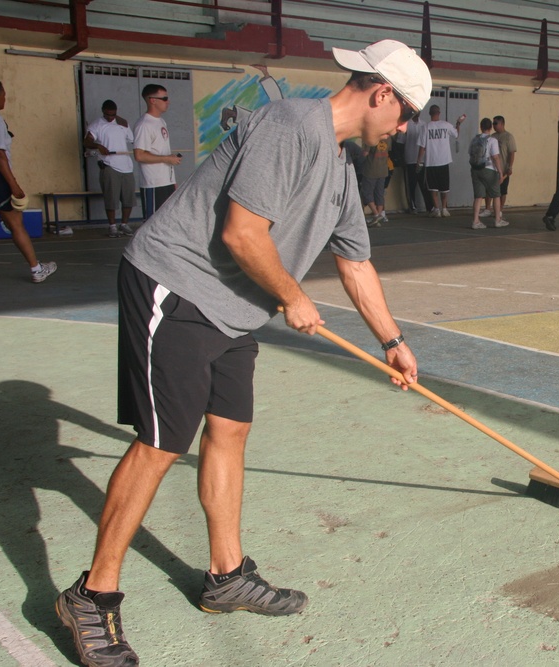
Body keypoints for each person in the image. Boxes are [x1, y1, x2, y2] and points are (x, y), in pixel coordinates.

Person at [55, 39, 431, 667]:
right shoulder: (290, 127)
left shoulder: (340, 172)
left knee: (229, 430)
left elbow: (356, 263)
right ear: (382, 93)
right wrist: (290, 295)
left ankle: (225, 577)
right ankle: (92, 595)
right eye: (408, 110)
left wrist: (393, 342)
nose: (407, 125)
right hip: (175, 284)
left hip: (232, 308)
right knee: (162, 440)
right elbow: (240, 231)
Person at [0, 77, 57, 283]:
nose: (5, 98)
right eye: (4, 94)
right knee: (15, 222)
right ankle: (36, 268)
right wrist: (14, 185)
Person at [84, 99, 137, 237]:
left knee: (128, 198)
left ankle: (124, 224)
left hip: (126, 166)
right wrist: (98, 146)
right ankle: (112, 226)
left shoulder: (122, 123)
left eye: (113, 115)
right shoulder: (96, 125)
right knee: (111, 198)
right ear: (103, 111)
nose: (110, 117)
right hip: (109, 165)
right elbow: (86, 142)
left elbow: (132, 139)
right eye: (107, 114)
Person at [133, 84, 181, 218]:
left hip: (167, 182)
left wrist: (172, 181)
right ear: (152, 100)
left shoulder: (161, 122)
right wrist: (166, 159)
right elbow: (139, 155)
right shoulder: (144, 125)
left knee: (165, 222)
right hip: (153, 183)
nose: (168, 102)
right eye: (164, 98)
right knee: (152, 223)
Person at [416, 104, 464, 217]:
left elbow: (422, 147)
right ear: (439, 113)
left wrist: (418, 161)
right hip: (444, 161)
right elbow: (456, 134)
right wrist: (458, 123)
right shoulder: (446, 125)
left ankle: (436, 209)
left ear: (430, 114)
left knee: (432, 188)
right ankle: (444, 209)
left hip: (431, 162)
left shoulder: (425, 127)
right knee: (444, 187)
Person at [469, 118, 507, 229]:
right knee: (496, 194)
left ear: (481, 127)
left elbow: (470, 153)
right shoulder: (492, 140)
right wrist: (500, 171)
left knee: (478, 196)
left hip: (475, 169)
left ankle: (475, 221)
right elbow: (495, 157)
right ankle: (497, 220)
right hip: (489, 169)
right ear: (490, 128)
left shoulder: (474, 140)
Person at [399, 112, 430, 213]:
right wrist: (402, 158)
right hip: (410, 158)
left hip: (421, 160)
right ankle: (412, 206)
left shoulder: (424, 125)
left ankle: (429, 207)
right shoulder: (406, 124)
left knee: (424, 184)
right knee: (411, 184)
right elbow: (400, 142)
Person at [361, 136, 391, 226]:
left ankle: (376, 214)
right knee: (379, 193)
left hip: (371, 169)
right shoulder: (388, 138)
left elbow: (365, 153)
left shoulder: (371, 137)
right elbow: (388, 150)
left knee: (367, 192)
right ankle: (378, 217)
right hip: (383, 169)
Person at [490, 115, 517, 211]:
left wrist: (510, 167)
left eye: (495, 123)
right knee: (491, 191)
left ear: (502, 124)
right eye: (493, 123)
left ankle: (500, 210)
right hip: (493, 169)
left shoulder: (508, 137)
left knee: (503, 191)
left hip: (503, 169)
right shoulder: (492, 136)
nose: (494, 125)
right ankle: (489, 209)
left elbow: (511, 153)